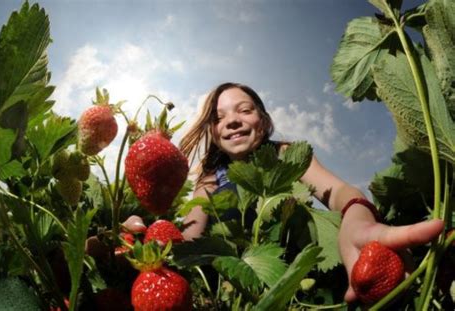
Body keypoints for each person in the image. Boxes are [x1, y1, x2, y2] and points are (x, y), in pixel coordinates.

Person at [173, 82, 444, 303]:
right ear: (212, 130)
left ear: (263, 120)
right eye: (218, 118)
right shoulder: (210, 177)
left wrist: (357, 216)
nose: (232, 121)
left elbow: (337, 191)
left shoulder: (286, 154)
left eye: (244, 110)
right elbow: (188, 241)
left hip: (292, 287)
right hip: (226, 293)